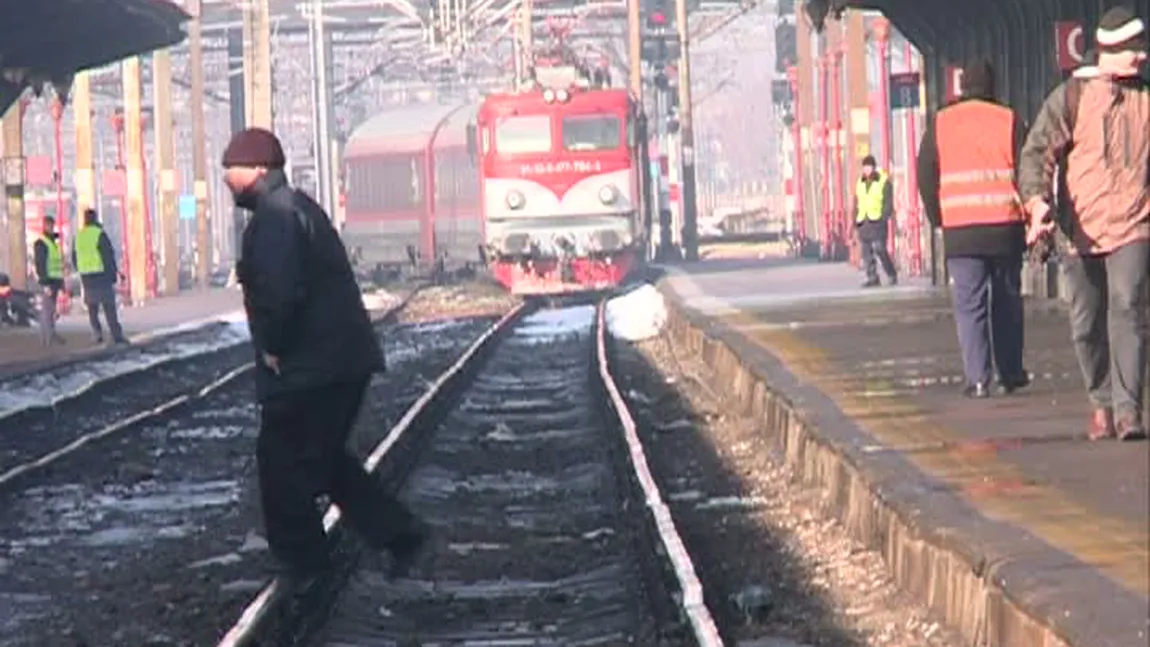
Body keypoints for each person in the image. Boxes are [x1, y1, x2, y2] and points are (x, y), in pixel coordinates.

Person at [221, 127, 429, 585]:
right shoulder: (292, 208)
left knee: (282, 461)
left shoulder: (276, 219)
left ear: (259, 170)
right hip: (335, 361)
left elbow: (282, 293)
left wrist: (274, 345)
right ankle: (399, 534)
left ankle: (306, 565)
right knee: (322, 458)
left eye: (231, 169)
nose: (226, 178)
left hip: (311, 366)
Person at [1019, 5, 1149, 442]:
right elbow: (1037, 150)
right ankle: (1101, 401)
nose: (1142, 55)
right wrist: (1037, 202)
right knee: (1086, 323)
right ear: (1111, 50)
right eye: (1134, 48)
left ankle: (1129, 411)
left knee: (1128, 307)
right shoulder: (1071, 96)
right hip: (1080, 231)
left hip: (1135, 223)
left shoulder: (1146, 98)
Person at [916, 59, 1030, 399]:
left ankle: (978, 379)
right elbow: (1028, 170)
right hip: (1005, 227)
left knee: (969, 304)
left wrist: (940, 217)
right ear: (993, 87)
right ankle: (1010, 373)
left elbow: (925, 174)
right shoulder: (1009, 120)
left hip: (961, 229)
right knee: (1006, 301)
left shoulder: (941, 123)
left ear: (962, 86)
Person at [73, 209, 128, 345]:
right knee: (109, 307)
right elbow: (108, 256)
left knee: (92, 307)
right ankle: (116, 335)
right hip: (101, 276)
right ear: (95, 219)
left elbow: (74, 257)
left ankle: (97, 333)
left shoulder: (78, 236)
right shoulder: (100, 235)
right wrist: (114, 275)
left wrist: (80, 269)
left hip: (86, 277)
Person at [853, 154, 898, 287]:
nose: (866, 169)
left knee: (880, 249)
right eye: (865, 167)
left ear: (873, 167)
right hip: (864, 222)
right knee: (866, 252)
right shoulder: (860, 183)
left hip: (877, 222)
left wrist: (884, 216)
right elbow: (856, 203)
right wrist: (855, 220)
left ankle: (891, 273)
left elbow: (888, 202)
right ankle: (872, 277)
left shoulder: (883, 181)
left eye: (869, 166)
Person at [31, 216, 66, 347]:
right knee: (47, 311)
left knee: (50, 310)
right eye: (50, 226)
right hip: (48, 281)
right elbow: (40, 264)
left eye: (52, 226)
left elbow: (56, 264)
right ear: (45, 226)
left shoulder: (52, 243)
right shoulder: (42, 243)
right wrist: (45, 284)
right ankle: (46, 339)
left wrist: (61, 281)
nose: (52, 228)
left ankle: (50, 335)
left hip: (54, 280)